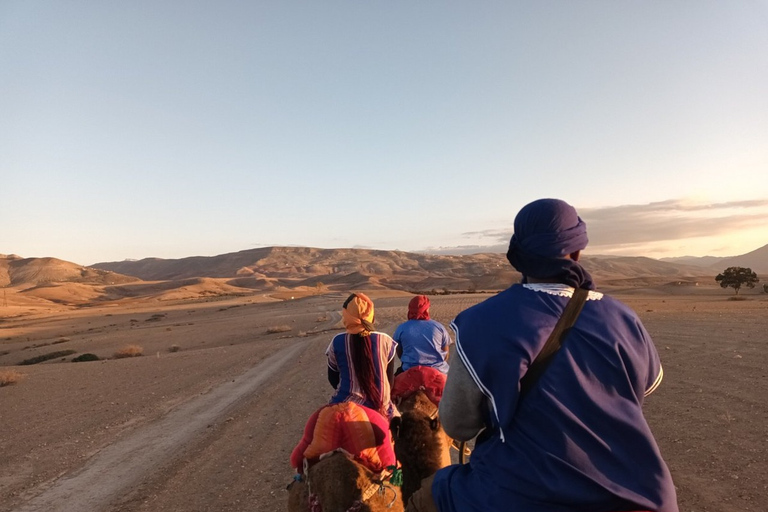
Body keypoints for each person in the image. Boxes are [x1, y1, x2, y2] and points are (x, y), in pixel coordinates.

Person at [407, 198, 678, 512]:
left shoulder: (481, 322)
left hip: (522, 490)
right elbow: (645, 388)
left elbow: (457, 425)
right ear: (577, 252)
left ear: (518, 257)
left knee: (425, 496)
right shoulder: (624, 318)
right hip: (641, 493)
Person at [290, 292, 398, 474]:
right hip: (379, 407)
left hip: (342, 403)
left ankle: (301, 478)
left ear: (345, 316)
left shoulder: (337, 341)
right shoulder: (385, 340)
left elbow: (333, 379)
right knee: (401, 444)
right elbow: (390, 381)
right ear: (371, 314)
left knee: (308, 442)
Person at [393, 295, 452, 375]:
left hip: (409, 371)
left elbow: (399, 352)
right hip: (439, 371)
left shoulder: (401, 328)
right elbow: (446, 355)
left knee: (390, 385)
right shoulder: (439, 327)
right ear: (427, 309)